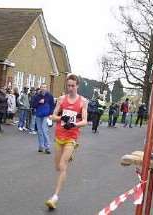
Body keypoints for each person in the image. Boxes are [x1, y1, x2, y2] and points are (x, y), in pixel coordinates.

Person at [45, 74, 88, 210]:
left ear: (77, 86)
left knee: (63, 166)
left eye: (73, 86)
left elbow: (85, 121)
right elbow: (52, 116)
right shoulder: (62, 99)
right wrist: (61, 118)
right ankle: (69, 154)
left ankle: (54, 197)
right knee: (57, 166)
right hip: (59, 136)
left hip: (71, 136)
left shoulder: (82, 101)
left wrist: (73, 124)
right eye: (68, 85)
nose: (70, 88)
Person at [32, 84, 55, 154]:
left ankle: (47, 147)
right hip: (38, 115)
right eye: (42, 87)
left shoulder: (50, 96)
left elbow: (52, 106)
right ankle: (41, 146)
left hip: (46, 115)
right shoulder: (37, 96)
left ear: (46, 88)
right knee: (39, 131)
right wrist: (39, 102)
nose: (43, 88)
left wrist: (50, 114)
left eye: (45, 87)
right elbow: (33, 105)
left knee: (44, 130)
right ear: (40, 88)